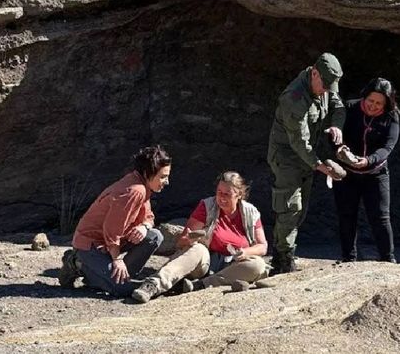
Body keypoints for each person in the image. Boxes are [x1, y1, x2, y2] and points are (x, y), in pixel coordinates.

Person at [131, 171, 268, 303]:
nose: (221, 197)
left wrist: (245, 252)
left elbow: (262, 246)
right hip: (206, 263)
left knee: (258, 265)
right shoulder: (207, 206)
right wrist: (189, 240)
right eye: (219, 192)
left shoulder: (251, 212)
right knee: (198, 249)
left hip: (234, 265)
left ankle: (200, 285)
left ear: (239, 194)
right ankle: (154, 284)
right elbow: (181, 243)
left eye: (227, 194)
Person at [267, 52, 346, 274]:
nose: (327, 91)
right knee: (290, 208)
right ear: (314, 73)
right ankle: (283, 260)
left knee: (300, 210)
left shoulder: (325, 87)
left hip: (306, 158)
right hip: (287, 158)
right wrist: (320, 166)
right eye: (325, 86)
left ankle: (284, 253)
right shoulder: (293, 98)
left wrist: (337, 125)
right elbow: (299, 141)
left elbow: (338, 106)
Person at [58, 145, 171, 298]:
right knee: (122, 290)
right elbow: (111, 230)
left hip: (111, 241)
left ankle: (112, 276)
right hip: (91, 244)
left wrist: (144, 227)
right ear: (147, 172)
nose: (167, 182)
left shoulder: (142, 184)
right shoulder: (135, 190)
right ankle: (76, 263)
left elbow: (149, 217)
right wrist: (117, 260)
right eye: (163, 177)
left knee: (154, 236)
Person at [333, 77, 400, 263]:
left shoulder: (392, 116)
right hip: (347, 172)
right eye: (371, 100)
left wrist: (368, 161)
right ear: (365, 96)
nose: (373, 106)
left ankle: (388, 259)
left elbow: (387, 147)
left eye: (379, 103)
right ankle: (348, 258)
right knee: (346, 215)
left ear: (386, 103)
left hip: (375, 173)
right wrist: (340, 149)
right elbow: (335, 134)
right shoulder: (350, 107)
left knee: (380, 217)